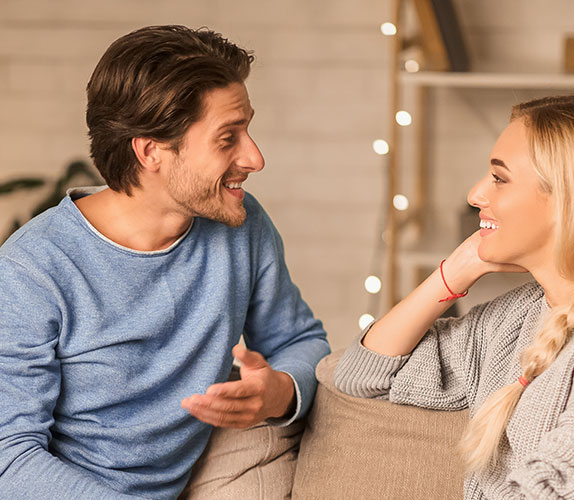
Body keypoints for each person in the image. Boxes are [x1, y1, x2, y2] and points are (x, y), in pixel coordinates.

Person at [0, 25, 329, 499]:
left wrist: (277, 391)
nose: (255, 157)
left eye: (248, 129)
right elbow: (10, 457)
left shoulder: (243, 226)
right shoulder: (32, 270)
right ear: (151, 150)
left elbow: (300, 340)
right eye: (227, 138)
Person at [335, 95, 574, 499]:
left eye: (499, 178)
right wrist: (458, 268)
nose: (476, 194)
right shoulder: (517, 317)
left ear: (568, 200)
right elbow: (362, 374)